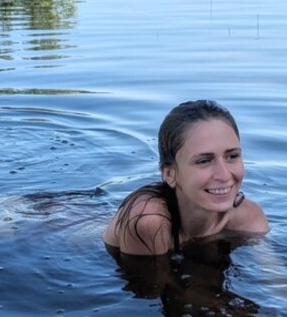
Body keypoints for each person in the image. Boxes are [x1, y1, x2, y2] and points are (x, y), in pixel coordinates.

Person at [103, 100, 269, 255]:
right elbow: (154, 286)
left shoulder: (249, 216)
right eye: (204, 161)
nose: (224, 175)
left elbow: (277, 281)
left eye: (232, 156)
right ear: (169, 174)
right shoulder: (149, 222)